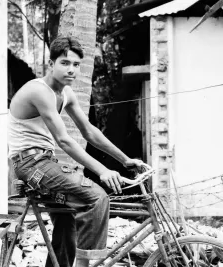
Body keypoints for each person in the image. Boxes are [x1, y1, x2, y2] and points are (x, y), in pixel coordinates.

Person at [8, 36, 145, 267]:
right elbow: (64, 139)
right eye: (65, 63)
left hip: (45, 162)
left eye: (76, 64)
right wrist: (102, 170)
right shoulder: (39, 91)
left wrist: (124, 159)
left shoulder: (67, 93)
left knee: (66, 218)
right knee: (96, 197)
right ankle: (87, 264)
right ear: (51, 64)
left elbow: (89, 132)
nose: (71, 69)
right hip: (30, 164)